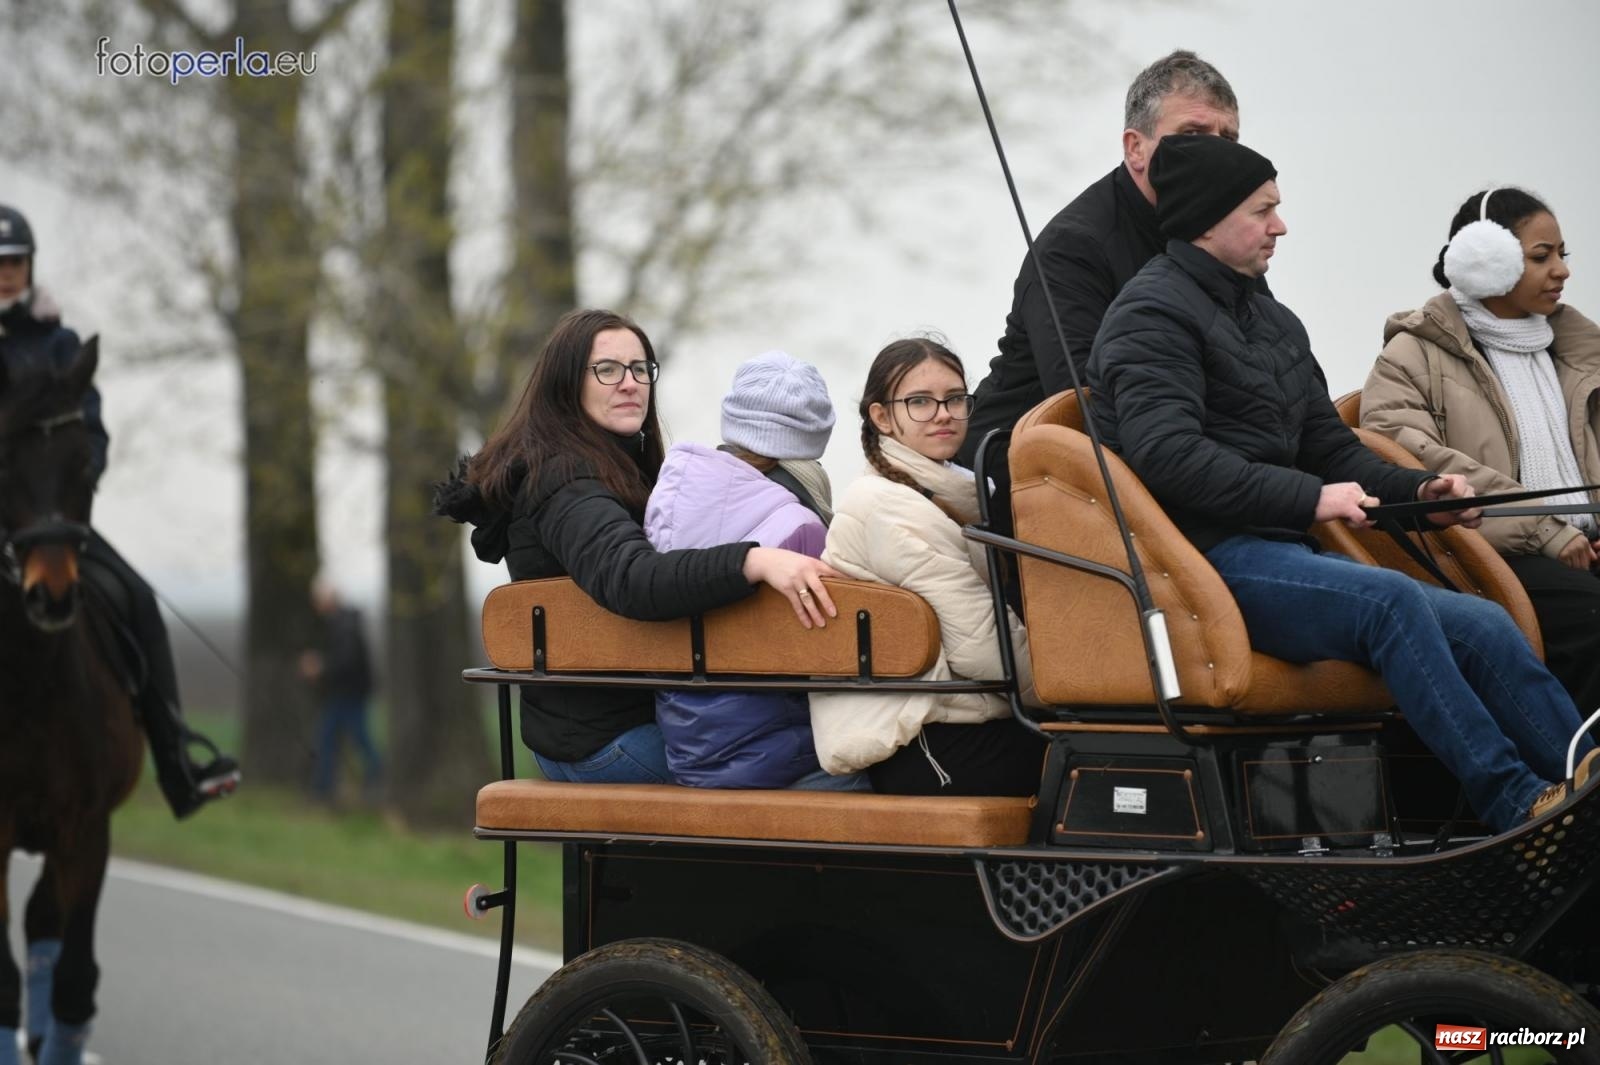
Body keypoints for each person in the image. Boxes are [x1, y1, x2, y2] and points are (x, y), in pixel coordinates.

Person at [1087, 135, 1599, 832]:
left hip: (1286, 551)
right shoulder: (1149, 316)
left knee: (1483, 623)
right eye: (1263, 210)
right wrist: (1310, 499)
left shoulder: (1271, 320)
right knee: (1389, 602)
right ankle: (1513, 802)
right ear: (1208, 220)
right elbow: (1169, 457)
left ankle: (1582, 777)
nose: (1281, 226)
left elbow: (1329, 446)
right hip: (1203, 560)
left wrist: (1417, 495)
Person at [434, 309, 839, 784]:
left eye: (640, 368)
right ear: (566, 384)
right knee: (830, 778)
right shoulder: (566, 480)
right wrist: (754, 560)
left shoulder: (613, 466)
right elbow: (632, 578)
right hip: (601, 740)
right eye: (607, 369)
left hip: (610, 724)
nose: (630, 383)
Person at [0, 204, 239, 819]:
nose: (6, 275)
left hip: (50, 524)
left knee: (136, 597)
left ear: (31, 269)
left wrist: (80, 482)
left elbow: (93, 432)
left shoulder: (61, 345)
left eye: (15, 263)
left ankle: (178, 761)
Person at [1361, 187, 1600, 716]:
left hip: (1582, 547)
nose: (1561, 270)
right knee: (1591, 619)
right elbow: (1408, 461)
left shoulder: (1579, 353)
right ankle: (1578, 784)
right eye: (1542, 257)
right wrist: (1547, 531)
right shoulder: (1409, 357)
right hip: (1487, 556)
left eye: (1564, 254)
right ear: (1483, 263)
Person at [960, 50, 1241, 471]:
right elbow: (1083, 403)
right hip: (1038, 476)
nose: (1218, 156)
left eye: (1229, 140)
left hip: (1190, 459)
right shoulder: (1072, 247)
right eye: (1194, 134)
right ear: (1136, 149)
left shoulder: (1229, 241)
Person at [809, 338, 1044, 796]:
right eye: (920, 401)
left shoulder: (947, 493)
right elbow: (982, 649)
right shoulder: (890, 506)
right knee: (1097, 760)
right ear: (882, 417)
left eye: (955, 398)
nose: (943, 413)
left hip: (957, 719)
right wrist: (1073, 688)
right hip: (922, 740)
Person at [644, 350, 865, 790]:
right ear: (810, 443)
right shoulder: (801, 529)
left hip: (688, 746)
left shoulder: (670, 491)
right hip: (769, 755)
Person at [300, 579, 380, 802]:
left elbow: (347, 662)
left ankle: (374, 778)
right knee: (333, 738)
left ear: (328, 601)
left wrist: (320, 668)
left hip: (349, 693)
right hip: (344, 692)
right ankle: (325, 788)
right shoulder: (340, 622)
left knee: (349, 738)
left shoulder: (344, 625)